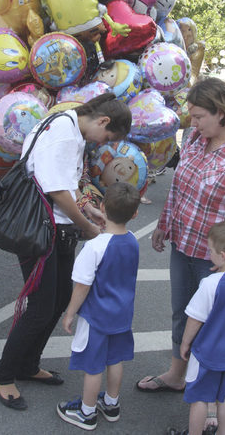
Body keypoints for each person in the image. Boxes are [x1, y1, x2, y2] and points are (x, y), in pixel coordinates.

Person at [136, 77, 225, 434]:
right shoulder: (198, 138)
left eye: (199, 116)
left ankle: (210, 403)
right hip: (185, 244)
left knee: (214, 330)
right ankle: (177, 375)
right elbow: (181, 186)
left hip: (218, 257)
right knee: (184, 315)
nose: (192, 124)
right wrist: (164, 224)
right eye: (191, 117)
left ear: (222, 111)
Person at [0, 93, 132, 411]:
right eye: (107, 137)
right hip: (41, 229)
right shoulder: (65, 133)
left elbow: (66, 184)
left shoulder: (68, 127)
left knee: (57, 301)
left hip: (56, 228)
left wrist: (88, 209)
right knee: (41, 306)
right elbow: (55, 190)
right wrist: (88, 226)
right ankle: (3, 375)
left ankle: (27, 364)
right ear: (103, 121)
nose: (103, 142)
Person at [56, 182, 141, 431]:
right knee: (115, 360)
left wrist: (70, 313)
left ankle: (87, 412)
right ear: (135, 214)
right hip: (122, 314)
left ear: (102, 207)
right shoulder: (133, 241)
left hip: (96, 316)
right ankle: (111, 403)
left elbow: (82, 286)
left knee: (93, 365)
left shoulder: (94, 246)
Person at [166, 221, 225, 435]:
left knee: (199, 398)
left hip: (207, 351)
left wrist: (185, 343)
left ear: (223, 255)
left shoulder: (210, 283)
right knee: (224, 397)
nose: (209, 253)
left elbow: (194, 319)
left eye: (211, 251)